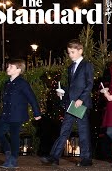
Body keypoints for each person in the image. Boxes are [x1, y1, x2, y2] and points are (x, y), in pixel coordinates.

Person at [40, 39, 94, 167]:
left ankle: (86, 158)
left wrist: (81, 98)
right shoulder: (70, 67)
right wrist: (63, 92)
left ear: (80, 51)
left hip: (82, 103)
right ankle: (55, 156)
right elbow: (72, 86)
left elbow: (89, 84)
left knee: (83, 130)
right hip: (71, 103)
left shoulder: (87, 65)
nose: (70, 55)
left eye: (73, 52)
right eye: (69, 52)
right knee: (64, 130)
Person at [0, 59, 42, 168]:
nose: (7, 68)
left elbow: (32, 98)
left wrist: (36, 113)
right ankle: (8, 153)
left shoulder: (22, 83)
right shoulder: (7, 83)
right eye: (8, 67)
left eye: (10, 67)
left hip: (17, 115)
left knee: (14, 136)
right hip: (6, 114)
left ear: (18, 70)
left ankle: (13, 159)